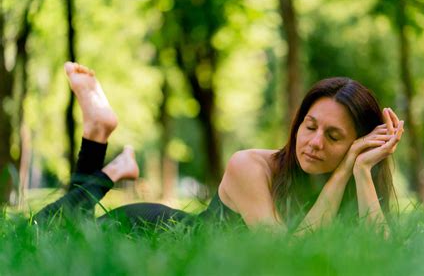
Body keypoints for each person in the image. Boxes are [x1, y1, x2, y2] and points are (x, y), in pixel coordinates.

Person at [34, 62, 404, 235]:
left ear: (358, 143)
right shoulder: (250, 167)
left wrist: (360, 172)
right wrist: (341, 172)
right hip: (149, 232)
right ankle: (101, 145)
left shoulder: (352, 176)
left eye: (335, 137)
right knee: (44, 230)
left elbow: (381, 256)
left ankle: (108, 151)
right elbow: (287, 259)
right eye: (309, 127)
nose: (315, 143)